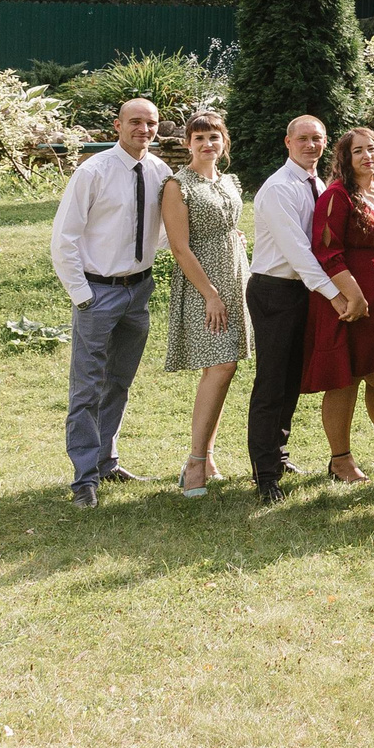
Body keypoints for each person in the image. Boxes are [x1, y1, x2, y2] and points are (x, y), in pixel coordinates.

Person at [49, 98, 172, 507]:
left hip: (139, 292)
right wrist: (82, 296)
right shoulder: (93, 171)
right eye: (135, 122)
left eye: (151, 123)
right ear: (117, 126)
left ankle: (107, 462)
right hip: (97, 292)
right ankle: (84, 479)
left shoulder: (160, 172)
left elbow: (166, 231)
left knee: (118, 382)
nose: (144, 129)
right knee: (87, 387)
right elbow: (64, 237)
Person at [301, 128, 374, 481]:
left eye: (373, 149)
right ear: (345, 158)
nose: (368, 156)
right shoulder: (337, 195)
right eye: (359, 151)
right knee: (344, 379)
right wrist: (354, 295)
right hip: (351, 303)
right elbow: (327, 251)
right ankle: (341, 460)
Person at [247, 115, 345, 504]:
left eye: (317, 138)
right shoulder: (278, 188)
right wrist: (335, 294)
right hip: (275, 291)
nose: (310, 145)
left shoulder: (318, 184)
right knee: (272, 383)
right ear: (287, 142)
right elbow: (299, 252)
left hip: (305, 292)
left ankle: (279, 456)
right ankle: (265, 475)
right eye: (302, 138)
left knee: (291, 381)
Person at [158, 109, 247, 497]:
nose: (208, 144)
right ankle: (194, 463)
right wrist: (210, 294)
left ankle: (207, 457)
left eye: (214, 137)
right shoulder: (177, 186)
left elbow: (228, 223)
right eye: (200, 138)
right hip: (203, 286)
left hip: (236, 279)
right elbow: (179, 247)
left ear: (224, 142)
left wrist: (236, 238)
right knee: (221, 365)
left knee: (224, 368)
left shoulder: (228, 181)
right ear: (187, 144)